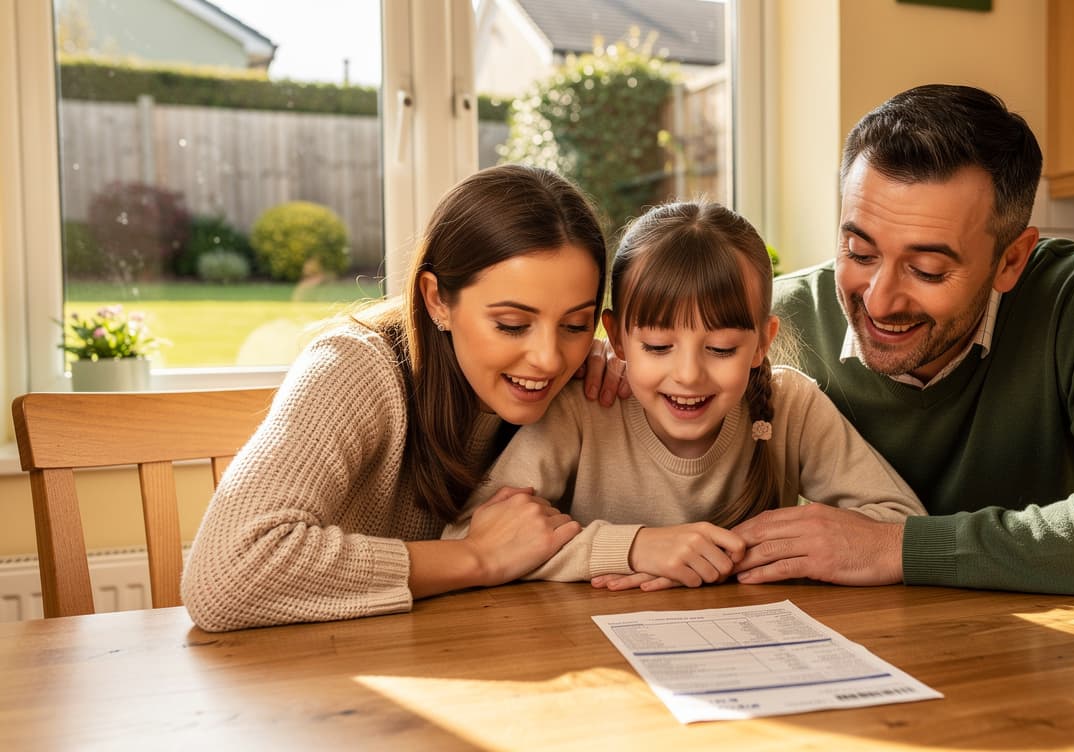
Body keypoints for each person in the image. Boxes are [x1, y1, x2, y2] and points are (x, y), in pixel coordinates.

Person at [724, 84, 1074, 595]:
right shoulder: (768, 323)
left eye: (928, 269)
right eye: (859, 253)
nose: (880, 301)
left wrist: (898, 547)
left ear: (1011, 260)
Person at [181, 164, 607, 631]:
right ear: (437, 300)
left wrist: (642, 376)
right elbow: (226, 577)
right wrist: (475, 556)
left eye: (574, 324)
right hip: (323, 675)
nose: (548, 359)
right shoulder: (352, 368)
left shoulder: (582, 376)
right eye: (510, 324)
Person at [443, 201, 925, 590]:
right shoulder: (582, 409)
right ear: (616, 337)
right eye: (657, 346)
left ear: (762, 341)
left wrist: (721, 558)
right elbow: (470, 537)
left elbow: (900, 525)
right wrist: (633, 548)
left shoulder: (791, 405)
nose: (689, 375)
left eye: (720, 348)